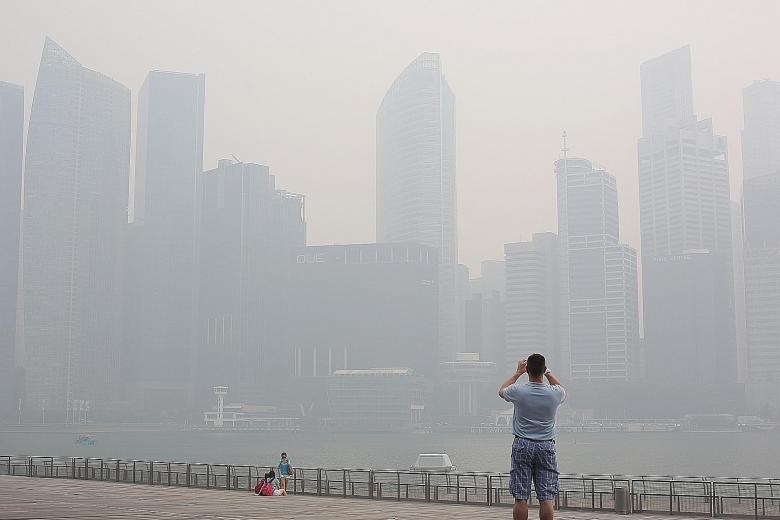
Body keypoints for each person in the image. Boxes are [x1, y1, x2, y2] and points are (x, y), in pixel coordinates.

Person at [499, 354, 566, 520]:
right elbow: (560, 387)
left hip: (522, 445)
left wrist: (517, 373)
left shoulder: (518, 391)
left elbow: (501, 391)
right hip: (546, 446)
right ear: (543, 370)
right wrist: (548, 372)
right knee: (547, 498)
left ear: (527, 369)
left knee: (521, 497)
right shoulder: (554, 394)